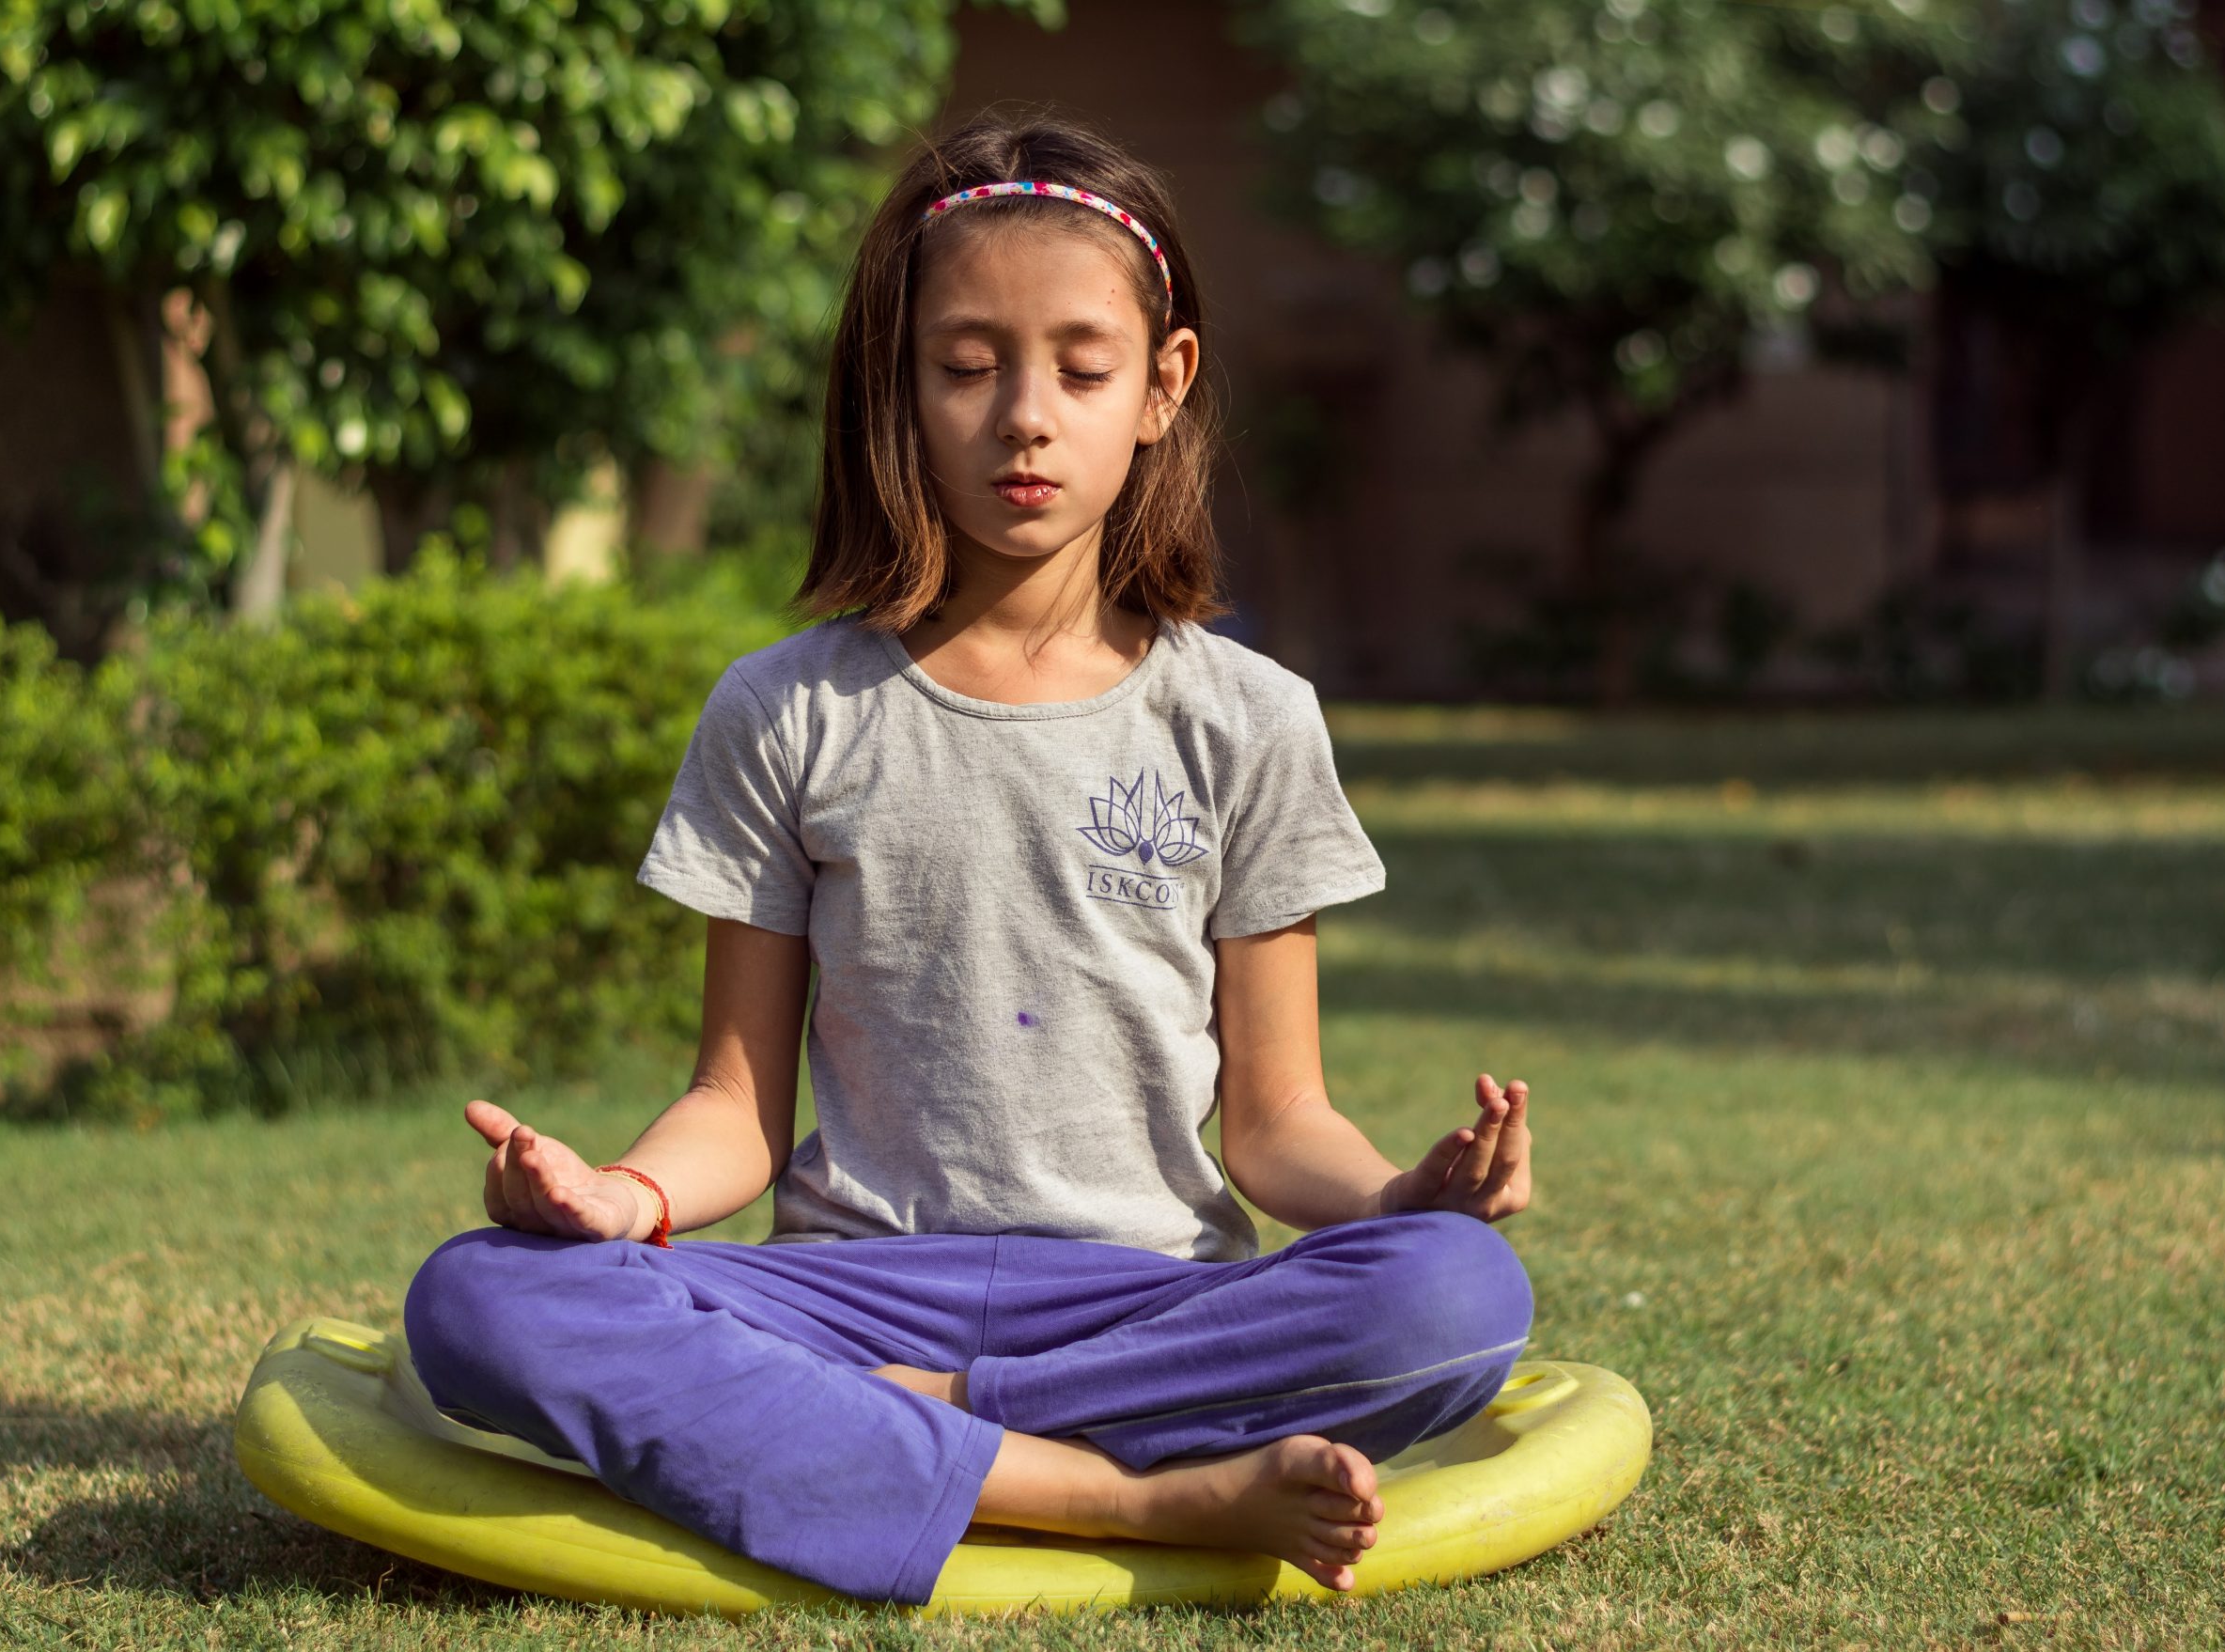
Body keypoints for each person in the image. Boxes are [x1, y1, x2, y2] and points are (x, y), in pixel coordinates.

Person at [400, 108, 1537, 1608]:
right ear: (901, 387)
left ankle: (887, 1431)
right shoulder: (786, 708)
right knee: (482, 1299)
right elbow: (735, 1108)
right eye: (965, 365)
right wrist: (623, 1199)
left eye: (1081, 367)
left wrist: (1406, 1197)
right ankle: (1146, 1494)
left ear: (1162, 386)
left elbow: (1275, 1123)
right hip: (848, 1286)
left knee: (1456, 1298)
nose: (1023, 416)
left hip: (1145, 1295)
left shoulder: (1249, 718)